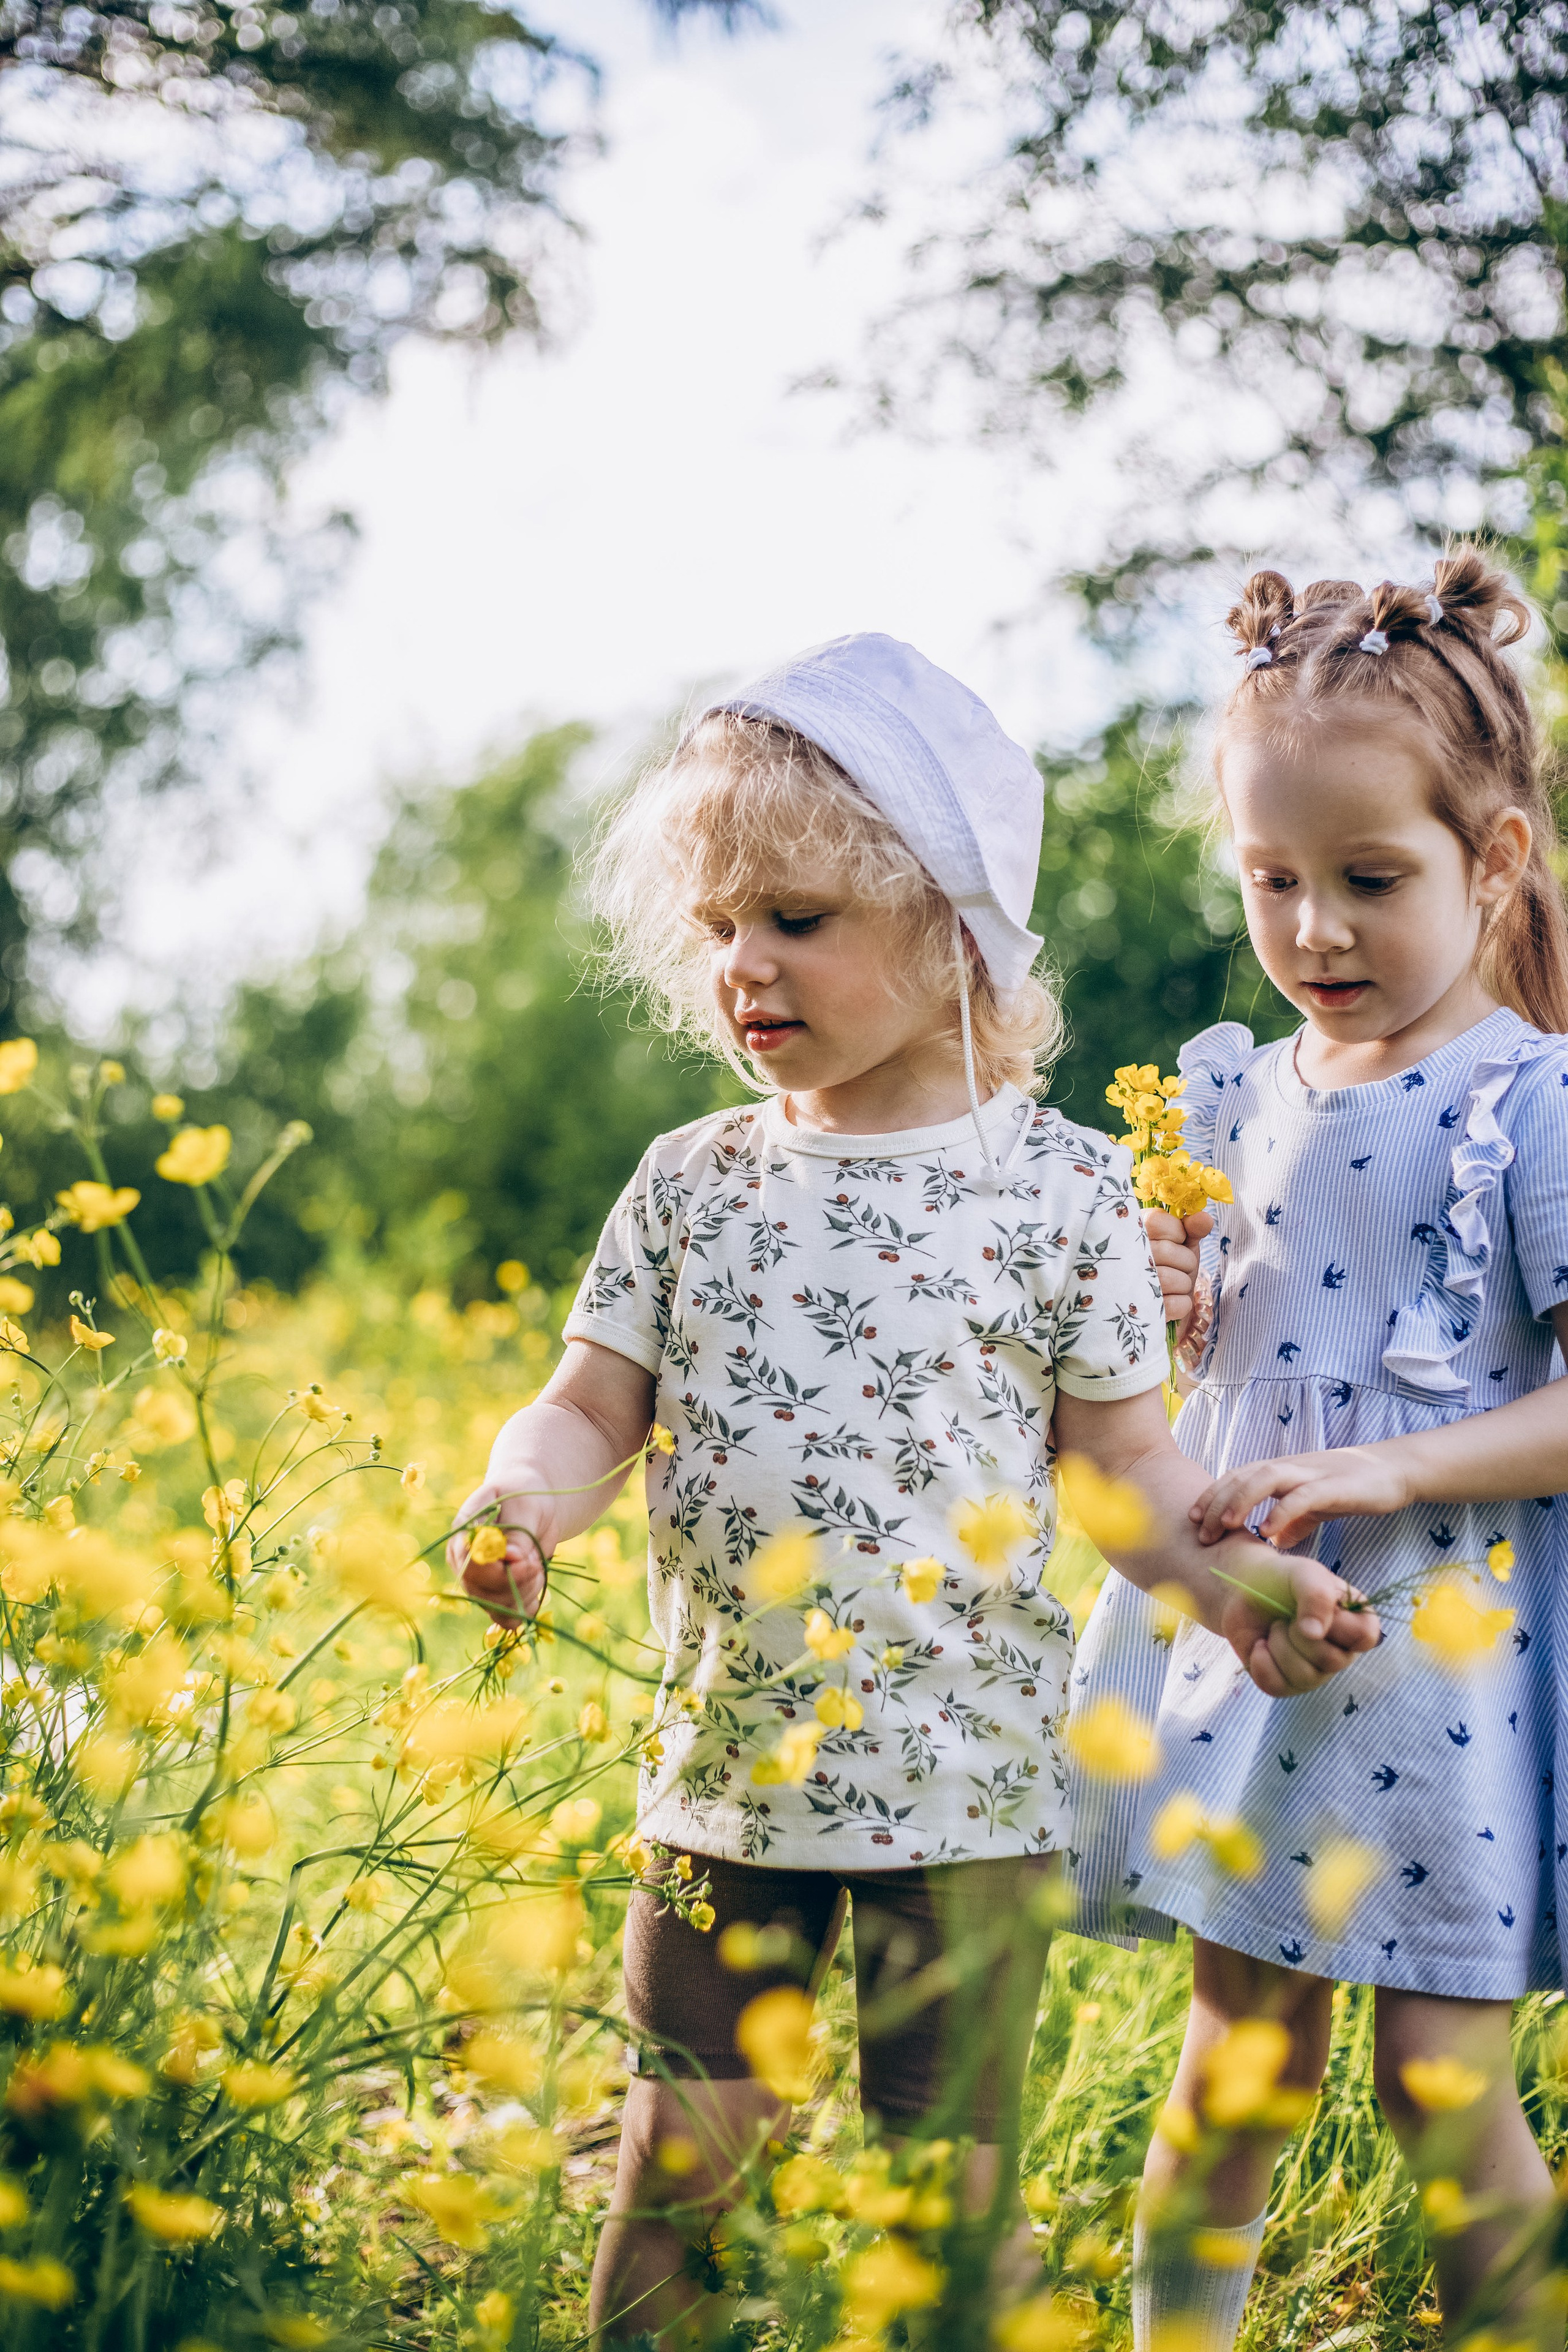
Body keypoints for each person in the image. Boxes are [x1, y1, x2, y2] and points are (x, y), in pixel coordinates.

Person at [451, 633, 1375, 2346]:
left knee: (946, 2212)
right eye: (718, 926)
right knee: (678, 2175)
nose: (743, 966)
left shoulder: (1062, 1191)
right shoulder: (690, 1184)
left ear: (953, 926)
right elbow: (588, 1408)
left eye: (796, 920)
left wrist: (1246, 1587)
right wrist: (522, 1497)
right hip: (724, 1797)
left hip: (968, 1811)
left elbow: (1124, 1476)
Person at [1069, 549, 1568, 2350]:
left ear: (1493, 860)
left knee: (1449, 2094)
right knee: (1237, 2069)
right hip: (1255, 1638)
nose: (1317, 933)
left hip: (1446, 1660)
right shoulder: (1233, 1090)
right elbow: (1204, 1365)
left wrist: (1384, 1473)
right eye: (1275, 881)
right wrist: (1163, 1293)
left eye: (1372, 881)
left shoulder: (1530, 1097)